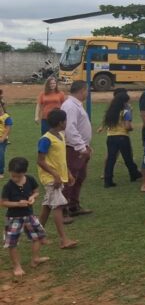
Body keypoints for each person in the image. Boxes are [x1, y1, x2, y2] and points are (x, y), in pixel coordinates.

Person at [36, 109, 77, 249]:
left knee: (47, 206)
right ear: (60, 122)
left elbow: (61, 159)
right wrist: (55, 174)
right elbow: (40, 160)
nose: (66, 123)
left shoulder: (61, 136)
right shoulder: (46, 139)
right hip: (51, 179)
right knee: (58, 206)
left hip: (58, 177)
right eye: (65, 120)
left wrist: (68, 173)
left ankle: (37, 235)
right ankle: (64, 240)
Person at [2, 157, 50, 276]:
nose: (15, 178)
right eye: (13, 175)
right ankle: (17, 266)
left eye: (18, 176)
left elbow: (36, 191)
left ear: (24, 172)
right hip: (13, 218)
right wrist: (17, 204)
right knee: (12, 243)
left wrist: (33, 197)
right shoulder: (8, 186)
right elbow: (3, 202)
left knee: (38, 237)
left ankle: (35, 258)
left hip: (29, 215)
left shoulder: (30, 179)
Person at [60, 80, 92, 218]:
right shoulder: (70, 106)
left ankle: (73, 205)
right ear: (82, 90)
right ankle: (63, 209)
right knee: (71, 178)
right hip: (73, 148)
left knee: (79, 177)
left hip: (79, 146)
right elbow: (70, 129)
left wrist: (86, 145)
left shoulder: (75, 105)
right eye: (87, 90)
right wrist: (81, 147)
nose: (88, 93)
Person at [99, 90, 141, 188]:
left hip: (110, 137)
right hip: (122, 137)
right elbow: (127, 126)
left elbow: (107, 124)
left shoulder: (111, 111)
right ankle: (134, 174)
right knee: (128, 158)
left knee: (111, 159)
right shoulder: (126, 111)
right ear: (124, 102)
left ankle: (108, 180)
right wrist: (131, 128)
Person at [0, 103, 12, 179]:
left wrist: (3, 138)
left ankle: (1, 172)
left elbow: (8, 129)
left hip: (2, 139)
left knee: (0, 155)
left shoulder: (6, 117)